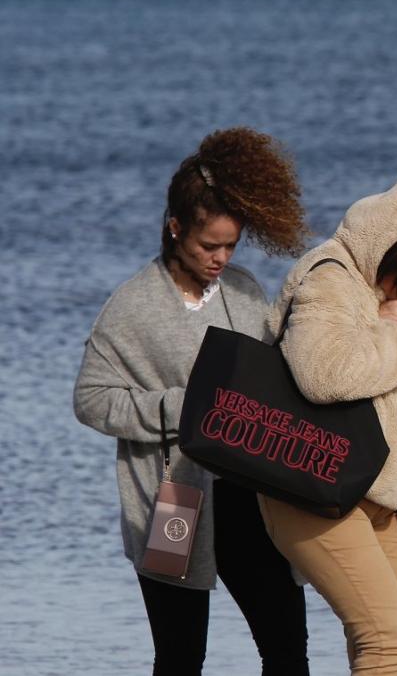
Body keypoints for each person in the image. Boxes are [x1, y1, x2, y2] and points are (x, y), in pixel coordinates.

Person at [74, 127, 312, 676]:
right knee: (180, 658)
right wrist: (181, 408)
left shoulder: (246, 290)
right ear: (175, 228)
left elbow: (276, 374)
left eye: (231, 245)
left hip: (252, 497)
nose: (221, 258)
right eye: (210, 245)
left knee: (287, 648)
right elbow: (90, 399)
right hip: (172, 501)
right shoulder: (131, 307)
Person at [258, 171, 397, 675]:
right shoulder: (329, 277)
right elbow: (325, 376)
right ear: (392, 247)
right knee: (389, 642)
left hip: (390, 501)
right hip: (317, 490)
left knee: (383, 648)